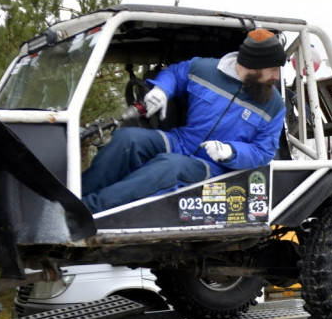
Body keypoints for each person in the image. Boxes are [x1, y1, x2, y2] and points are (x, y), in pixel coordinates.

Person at [81, 29, 287, 213]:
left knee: (169, 166)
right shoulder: (204, 69)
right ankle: (72, 199)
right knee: (128, 139)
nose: (276, 76)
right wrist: (162, 89)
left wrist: (230, 151)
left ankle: (87, 211)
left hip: (216, 168)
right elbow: (174, 73)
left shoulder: (274, 105)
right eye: (273, 69)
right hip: (181, 142)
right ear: (253, 65)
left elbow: (262, 152)